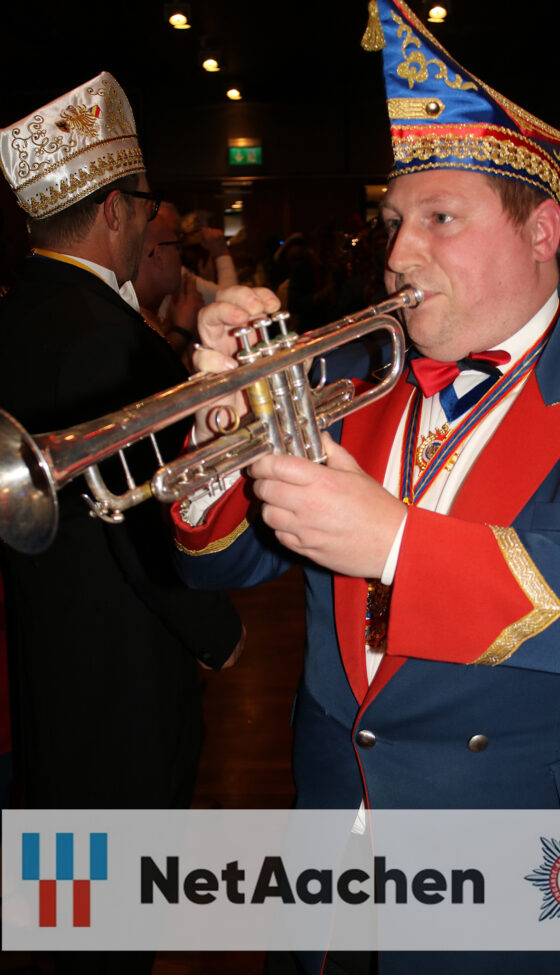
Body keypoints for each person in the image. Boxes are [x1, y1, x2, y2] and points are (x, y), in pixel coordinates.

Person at [172, 4, 560, 973]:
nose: (395, 254)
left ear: (542, 230)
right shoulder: (354, 371)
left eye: (439, 218)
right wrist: (217, 434)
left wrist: (397, 543)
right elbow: (220, 566)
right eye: (395, 221)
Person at [0, 72, 243, 975]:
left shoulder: (18, 311)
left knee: (66, 906)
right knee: (112, 924)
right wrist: (216, 629)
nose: (147, 225)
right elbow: (141, 518)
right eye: (143, 207)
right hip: (120, 670)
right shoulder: (110, 335)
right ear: (114, 210)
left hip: (46, 647)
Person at [133, 200, 203, 364]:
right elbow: (144, 371)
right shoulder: (124, 321)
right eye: (177, 246)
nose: (180, 256)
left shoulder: (154, 316)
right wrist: (181, 332)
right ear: (158, 255)